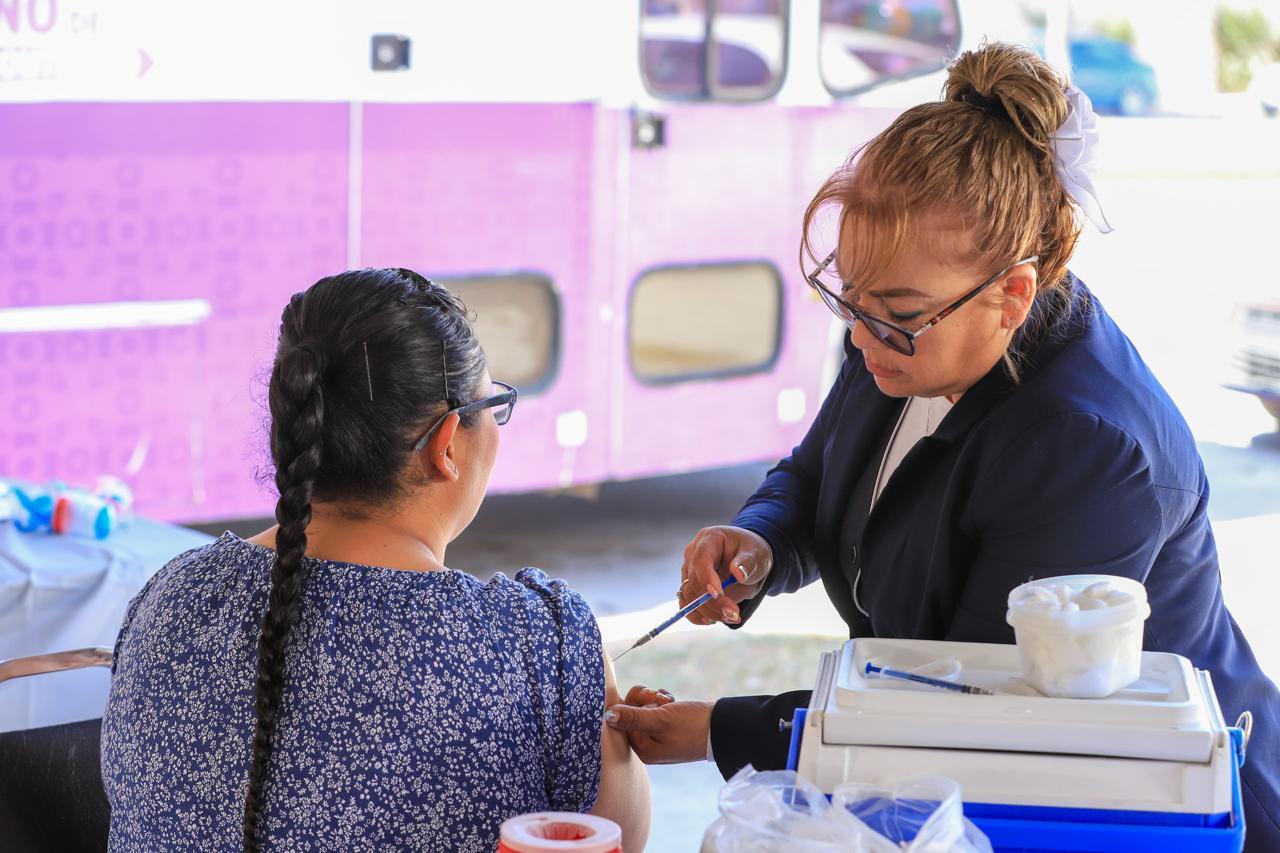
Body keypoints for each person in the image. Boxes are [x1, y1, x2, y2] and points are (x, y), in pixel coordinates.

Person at [606, 42, 1280, 848]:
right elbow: (818, 473)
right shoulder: (905, 328)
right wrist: (759, 541)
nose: (859, 337)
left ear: (1013, 293)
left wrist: (718, 728)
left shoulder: (1084, 449)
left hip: (1156, 809)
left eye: (888, 310)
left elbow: (959, 707)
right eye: (847, 297)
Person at [100, 269, 650, 852]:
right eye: (494, 403)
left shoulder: (172, 595)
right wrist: (594, 684)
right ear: (445, 447)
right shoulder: (538, 641)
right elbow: (618, 840)